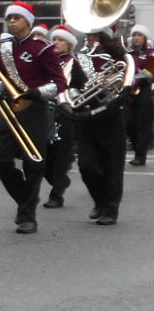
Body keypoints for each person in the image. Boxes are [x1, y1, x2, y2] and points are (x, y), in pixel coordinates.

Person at [0, 1, 66, 234]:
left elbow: (59, 83)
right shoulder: (4, 49)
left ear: (28, 20)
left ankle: (27, 216)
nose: (12, 21)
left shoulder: (43, 49)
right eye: (10, 18)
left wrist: (37, 92)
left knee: (33, 163)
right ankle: (26, 200)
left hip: (35, 109)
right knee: (1, 159)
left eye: (17, 17)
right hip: (9, 109)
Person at [59, 27, 128, 225]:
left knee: (112, 165)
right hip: (88, 116)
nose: (91, 39)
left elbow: (126, 81)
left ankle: (110, 209)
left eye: (96, 35)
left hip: (112, 117)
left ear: (105, 37)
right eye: (89, 35)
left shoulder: (120, 57)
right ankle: (100, 200)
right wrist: (73, 98)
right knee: (86, 165)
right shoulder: (80, 59)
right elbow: (72, 84)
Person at [43, 26, 80, 209]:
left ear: (69, 44)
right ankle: (59, 181)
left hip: (64, 112)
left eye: (60, 39)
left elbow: (81, 85)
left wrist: (72, 94)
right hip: (44, 111)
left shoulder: (75, 62)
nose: (55, 42)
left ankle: (56, 194)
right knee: (44, 157)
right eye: (54, 39)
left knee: (60, 155)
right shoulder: (46, 61)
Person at [126, 24, 152, 167]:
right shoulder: (128, 54)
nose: (136, 38)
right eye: (135, 35)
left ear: (144, 38)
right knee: (129, 124)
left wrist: (136, 77)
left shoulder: (151, 53)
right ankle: (137, 149)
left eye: (139, 35)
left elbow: (151, 72)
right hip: (129, 91)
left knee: (143, 124)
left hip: (144, 91)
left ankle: (140, 155)